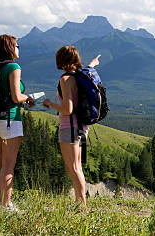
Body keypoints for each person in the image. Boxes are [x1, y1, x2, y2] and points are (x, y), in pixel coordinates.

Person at [43, 46, 100, 205]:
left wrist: (50, 103)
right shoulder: (80, 76)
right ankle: (79, 203)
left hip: (69, 127)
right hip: (82, 127)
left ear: (61, 60)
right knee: (77, 167)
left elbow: (67, 109)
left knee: (73, 168)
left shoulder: (66, 79)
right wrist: (93, 64)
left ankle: (80, 205)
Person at [0, 34, 35, 211]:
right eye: (16, 45)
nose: (18, 48)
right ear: (9, 48)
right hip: (10, 120)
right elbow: (15, 96)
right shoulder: (13, 66)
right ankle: (6, 205)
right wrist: (28, 98)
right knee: (8, 164)